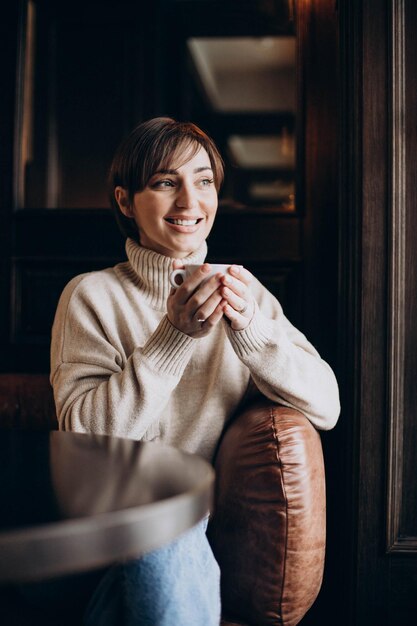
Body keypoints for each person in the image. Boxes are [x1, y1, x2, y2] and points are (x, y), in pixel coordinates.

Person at [50, 117, 340, 625]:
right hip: (106, 526)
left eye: (203, 181)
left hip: (198, 532)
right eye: (166, 182)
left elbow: (328, 405)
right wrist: (174, 336)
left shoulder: (244, 294)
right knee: (160, 513)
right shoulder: (92, 296)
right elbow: (85, 438)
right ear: (125, 201)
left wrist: (251, 331)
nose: (190, 202)